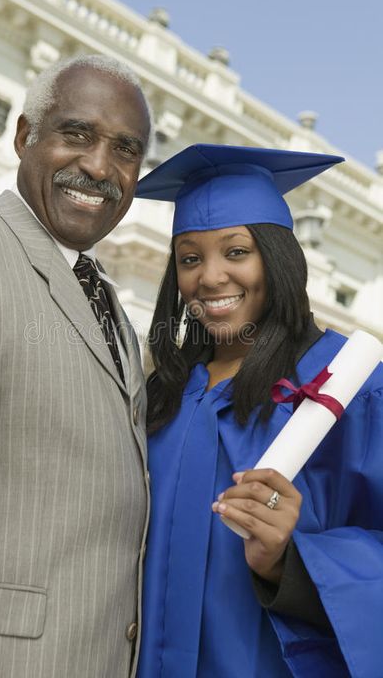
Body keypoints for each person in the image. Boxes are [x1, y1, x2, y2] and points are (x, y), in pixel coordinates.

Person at [0, 54, 152, 677]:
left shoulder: (115, 316)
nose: (99, 166)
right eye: (76, 134)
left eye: (125, 150)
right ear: (24, 137)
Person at [134, 144, 383, 678]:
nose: (211, 278)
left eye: (237, 251)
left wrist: (288, 562)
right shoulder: (163, 394)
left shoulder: (348, 386)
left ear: (278, 257)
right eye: (190, 258)